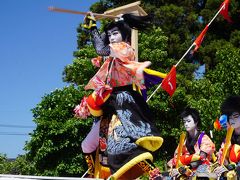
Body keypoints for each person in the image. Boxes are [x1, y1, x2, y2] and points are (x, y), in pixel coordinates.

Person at [75, 12, 164, 180]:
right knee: (86, 145)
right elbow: (103, 45)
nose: (112, 37)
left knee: (125, 145)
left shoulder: (124, 48)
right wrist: (95, 26)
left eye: (115, 33)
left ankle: (154, 174)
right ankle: (93, 174)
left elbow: (100, 48)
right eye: (110, 35)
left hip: (122, 104)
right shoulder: (113, 54)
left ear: (125, 34)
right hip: (108, 104)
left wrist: (93, 27)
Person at [168, 107, 216, 178]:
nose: (186, 124)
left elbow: (201, 159)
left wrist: (184, 168)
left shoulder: (204, 138)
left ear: (196, 122)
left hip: (202, 171)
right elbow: (177, 156)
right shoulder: (184, 140)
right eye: (184, 122)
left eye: (188, 121)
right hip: (186, 171)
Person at [213, 95, 240, 178]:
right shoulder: (228, 139)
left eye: (235, 116)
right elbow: (222, 156)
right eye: (230, 117)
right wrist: (219, 166)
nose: (232, 120)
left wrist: (232, 167)